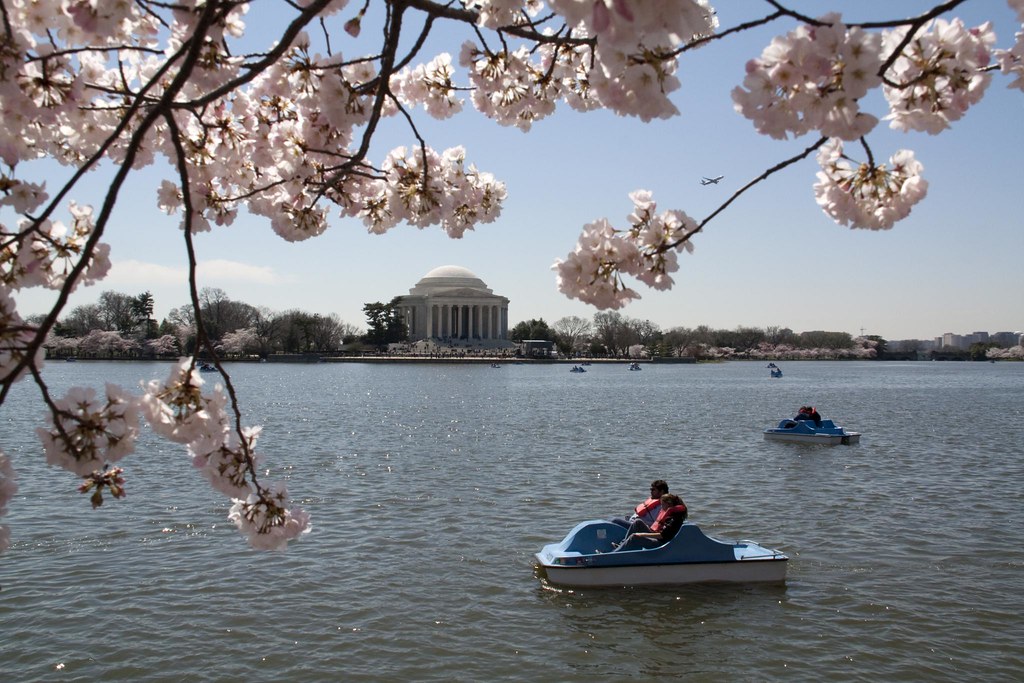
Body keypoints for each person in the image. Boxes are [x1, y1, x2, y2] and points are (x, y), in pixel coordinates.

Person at [615, 494, 688, 551]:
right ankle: (622, 545)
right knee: (638, 522)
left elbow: (662, 536)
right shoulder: (669, 514)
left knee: (635, 537)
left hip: (660, 544)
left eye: (662, 505)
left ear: (668, 504)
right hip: (657, 538)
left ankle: (616, 554)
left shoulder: (674, 518)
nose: (661, 507)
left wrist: (641, 534)